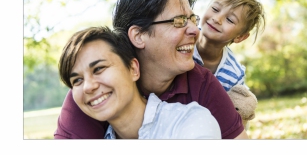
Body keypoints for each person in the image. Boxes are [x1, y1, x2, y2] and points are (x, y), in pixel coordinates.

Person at [54, 0, 248, 139]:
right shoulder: (95, 93)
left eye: (192, 19)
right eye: (179, 21)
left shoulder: (202, 85)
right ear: (139, 36)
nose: (196, 30)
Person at [58, 26, 221, 139]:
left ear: (133, 69)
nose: (88, 86)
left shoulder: (190, 122)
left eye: (99, 69)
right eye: (77, 80)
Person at [193, 0, 266, 91]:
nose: (217, 19)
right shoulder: (180, 39)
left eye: (230, 20)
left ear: (240, 37)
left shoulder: (234, 75)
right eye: (215, 9)